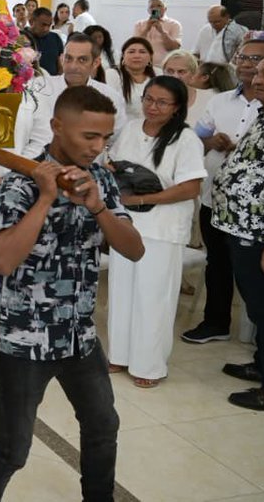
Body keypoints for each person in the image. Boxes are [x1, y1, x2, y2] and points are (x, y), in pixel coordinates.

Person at [0, 86, 144, 500]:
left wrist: (99, 207)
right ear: (56, 127)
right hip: (23, 340)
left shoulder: (100, 178)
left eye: (105, 138)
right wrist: (45, 198)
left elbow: (134, 250)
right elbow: (3, 261)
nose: (98, 147)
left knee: (103, 427)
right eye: (89, 137)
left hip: (79, 336)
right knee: (11, 449)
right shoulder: (19, 184)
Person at [106, 77, 206, 387]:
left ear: (177, 108)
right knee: (121, 292)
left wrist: (142, 198)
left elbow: (190, 187)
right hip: (126, 225)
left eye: (161, 102)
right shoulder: (132, 128)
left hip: (162, 228)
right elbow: (115, 164)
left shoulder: (186, 140)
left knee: (153, 298)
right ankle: (119, 355)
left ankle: (149, 366)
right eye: (148, 99)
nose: (152, 107)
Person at [182, 34, 264, 344]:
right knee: (217, 263)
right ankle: (216, 322)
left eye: (259, 60)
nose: (250, 65)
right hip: (215, 199)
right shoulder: (221, 101)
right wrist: (212, 141)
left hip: (254, 216)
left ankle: (260, 344)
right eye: (244, 58)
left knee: (255, 280)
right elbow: (197, 137)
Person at [210, 54, 264, 410]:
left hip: (262, 234)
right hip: (242, 227)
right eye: (257, 71)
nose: (257, 78)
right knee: (258, 305)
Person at [31, 33, 128, 153]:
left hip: (87, 165)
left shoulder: (110, 96)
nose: (73, 66)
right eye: (68, 58)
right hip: (36, 161)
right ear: (61, 59)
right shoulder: (39, 87)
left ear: (96, 62)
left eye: (82, 60)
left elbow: (115, 139)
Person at [162, 50, 217, 125]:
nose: (175, 76)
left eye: (181, 72)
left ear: (193, 74)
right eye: (170, 71)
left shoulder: (211, 98)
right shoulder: (152, 99)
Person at [111, 37, 157, 121]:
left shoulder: (159, 73)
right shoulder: (113, 74)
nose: (137, 56)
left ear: (150, 57)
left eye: (142, 52)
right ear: (123, 56)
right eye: (131, 52)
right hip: (121, 128)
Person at [133, 0, 182, 68]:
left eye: (159, 6)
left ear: (165, 9)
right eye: (152, 6)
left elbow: (174, 48)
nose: (155, 8)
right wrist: (147, 29)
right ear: (148, 10)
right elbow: (135, 45)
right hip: (143, 65)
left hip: (165, 65)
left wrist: (162, 31)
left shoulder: (174, 24)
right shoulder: (139, 24)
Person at [27, 7, 63, 76]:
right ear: (31, 22)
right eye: (43, 25)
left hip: (53, 82)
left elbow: (60, 64)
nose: (46, 29)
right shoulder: (22, 38)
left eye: (49, 25)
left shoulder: (55, 38)